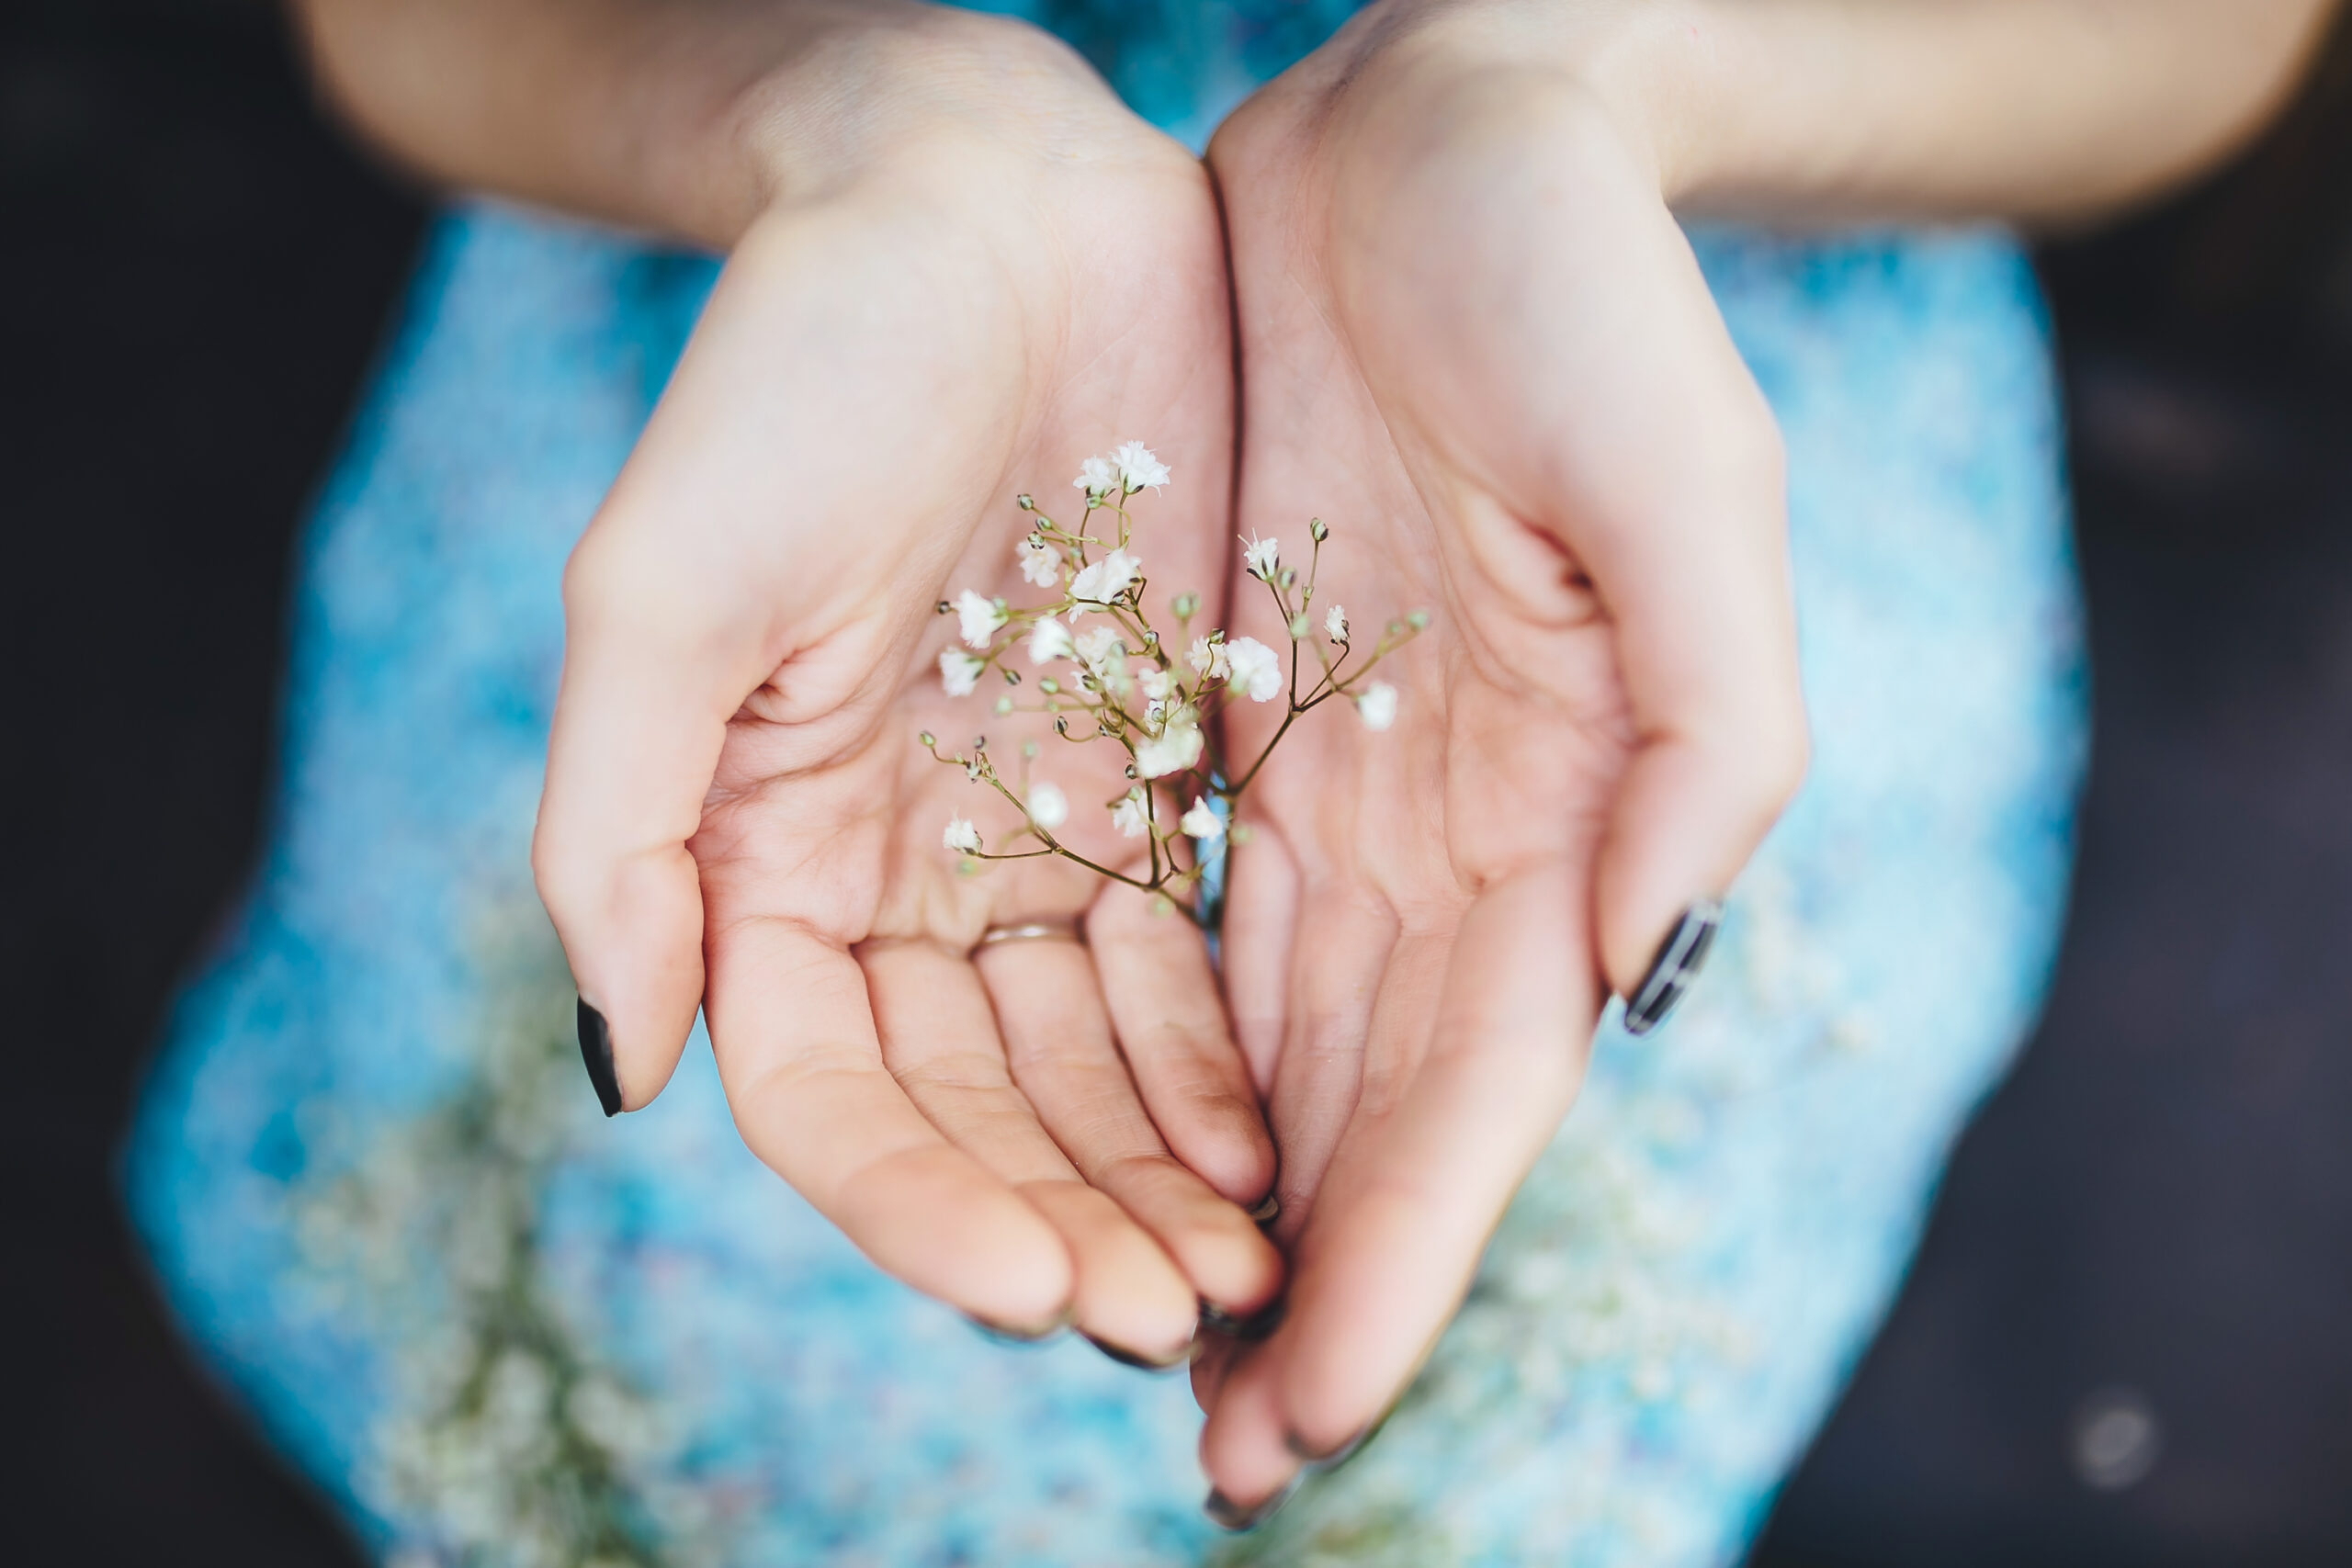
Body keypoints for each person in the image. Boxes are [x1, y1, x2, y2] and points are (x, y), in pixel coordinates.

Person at [128, 0, 2335, 1561]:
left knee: (1482, 1205)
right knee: (667, 1230)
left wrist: (1576, 73)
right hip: (795, 336)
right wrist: (856, 113)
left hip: (1598, 361)